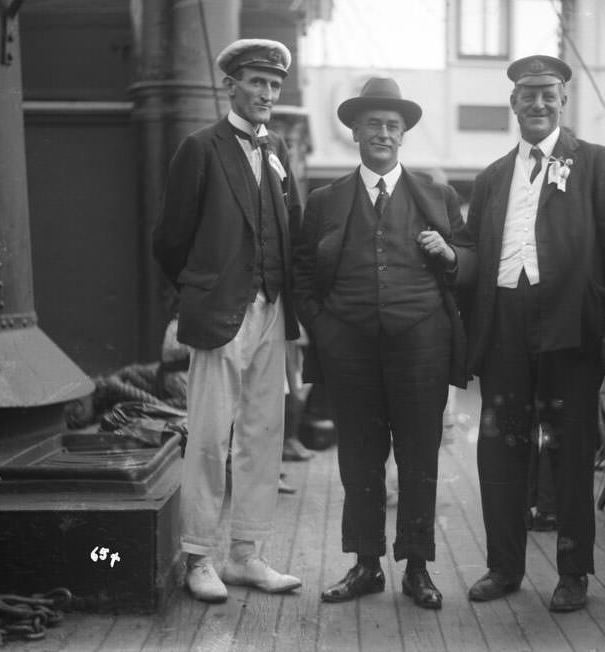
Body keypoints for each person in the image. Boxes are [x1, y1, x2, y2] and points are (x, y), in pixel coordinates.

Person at [462, 55, 605, 612]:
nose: (538, 103)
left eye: (548, 94)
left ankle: (573, 573)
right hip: (505, 330)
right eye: (527, 95)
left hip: (571, 328)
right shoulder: (493, 177)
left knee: (569, 453)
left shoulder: (594, 163)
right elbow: (473, 254)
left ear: (563, 101)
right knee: (500, 449)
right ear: (513, 104)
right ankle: (504, 567)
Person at [293, 77, 473, 610]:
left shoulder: (437, 196)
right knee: (359, 458)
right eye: (373, 124)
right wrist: (322, 326)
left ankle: (417, 568)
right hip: (347, 348)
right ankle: (366, 565)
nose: (384, 133)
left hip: (421, 345)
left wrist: (449, 254)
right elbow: (303, 273)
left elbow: (467, 265)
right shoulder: (325, 201)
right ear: (354, 131)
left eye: (393, 126)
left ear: (404, 135)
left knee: (419, 458)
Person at [152, 38, 303, 603]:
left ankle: (246, 555)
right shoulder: (200, 148)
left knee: (264, 433)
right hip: (221, 314)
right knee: (211, 436)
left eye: (273, 84)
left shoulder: (278, 149)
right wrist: (205, 290)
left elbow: (291, 226)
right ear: (231, 85)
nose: (266, 93)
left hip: (273, 308)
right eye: (256, 82)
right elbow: (169, 240)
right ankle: (198, 557)